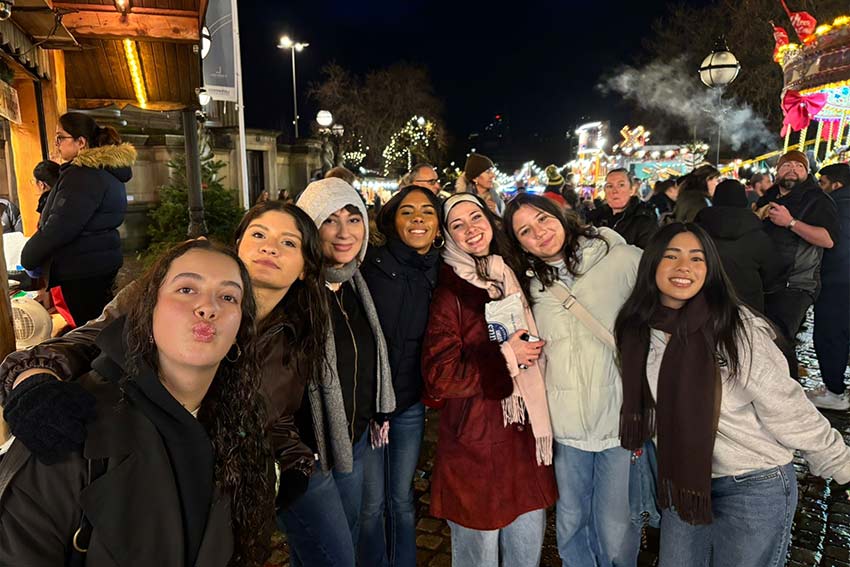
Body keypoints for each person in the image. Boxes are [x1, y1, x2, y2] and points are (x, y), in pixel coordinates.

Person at [0, 201, 357, 565]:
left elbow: (277, 414)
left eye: (288, 243)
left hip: (229, 477)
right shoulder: (158, 303)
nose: (270, 247)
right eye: (259, 234)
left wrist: (292, 466)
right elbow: (90, 341)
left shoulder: (296, 332)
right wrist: (35, 379)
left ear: (304, 268)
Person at [0, 239, 275, 566]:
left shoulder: (244, 424)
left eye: (228, 296)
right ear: (147, 310)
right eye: (187, 289)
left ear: (240, 330)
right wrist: (30, 376)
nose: (208, 307)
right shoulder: (69, 429)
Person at [615, 222, 850, 567]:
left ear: (710, 269)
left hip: (754, 482)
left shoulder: (734, 328)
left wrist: (841, 465)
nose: (685, 267)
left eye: (697, 259)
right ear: (652, 264)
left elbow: (786, 406)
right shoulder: (638, 330)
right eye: (671, 256)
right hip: (684, 481)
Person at [504, 193, 641, 567]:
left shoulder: (622, 260)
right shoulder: (528, 288)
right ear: (518, 243)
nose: (540, 233)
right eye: (526, 231)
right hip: (564, 424)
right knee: (570, 520)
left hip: (617, 418)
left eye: (543, 220)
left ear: (561, 215)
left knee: (616, 525)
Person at [421, 193, 557, 567]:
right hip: (477, 444)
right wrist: (507, 357)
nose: (471, 229)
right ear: (447, 236)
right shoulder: (450, 292)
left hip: (524, 435)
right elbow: (440, 376)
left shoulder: (508, 270)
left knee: (525, 548)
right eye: (457, 224)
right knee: (477, 554)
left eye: (475, 217)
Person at [294, 177, 396, 561]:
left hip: (358, 436)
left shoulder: (356, 281)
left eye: (353, 219)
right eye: (329, 220)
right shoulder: (294, 288)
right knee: (327, 549)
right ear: (308, 227)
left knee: (356, 529)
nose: (343, 232)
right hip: (313, 448)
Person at [359, 185, 442, 567]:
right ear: (393, 219)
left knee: (402, 498)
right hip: (369, 404)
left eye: (427, 211)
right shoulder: (368, 265)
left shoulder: (444, 270)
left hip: (409, 403)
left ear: (438, 224)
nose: (418, 218)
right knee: (372, 503)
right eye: (407, 211)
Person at [21, 112, 134, 326]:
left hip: (79, 272)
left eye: (60, 137)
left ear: (81, 142)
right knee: (99, 326)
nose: (56, 144)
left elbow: (60, 227)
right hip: (97, 265)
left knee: (85, 332)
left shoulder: (82, 175)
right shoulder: (106, 172)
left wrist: (28, 257)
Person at [756, 149, 838, 380]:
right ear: (777, 171)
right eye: (786, 165)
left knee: (779, 340)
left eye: (799, 166)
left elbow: (827, 239)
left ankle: (787, 394)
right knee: (761, 338)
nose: (792, 169)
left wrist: (790, 222)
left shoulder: (818, 199)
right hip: (764, 281)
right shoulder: (769, 197)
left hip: (796, 283)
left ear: (807, 172)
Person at [695, 179, 782, 312]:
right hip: (747, 307)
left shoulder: (697, 231)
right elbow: (772, 273)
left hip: (704, 303)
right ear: (743, 200)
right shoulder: (757, 234)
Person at [807, 163, 850, 410]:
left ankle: (835, 392)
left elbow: (833, 246)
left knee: (830, 335)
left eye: (823, 182)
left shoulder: (835, 206)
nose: (820, 187)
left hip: (837, 281)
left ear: (836, 184)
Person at [589, 168, 657, 248]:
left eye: (621, 185)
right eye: (610, 186)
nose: (615, 191)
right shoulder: (596, 215)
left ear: (631, 190)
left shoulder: (644, 218)